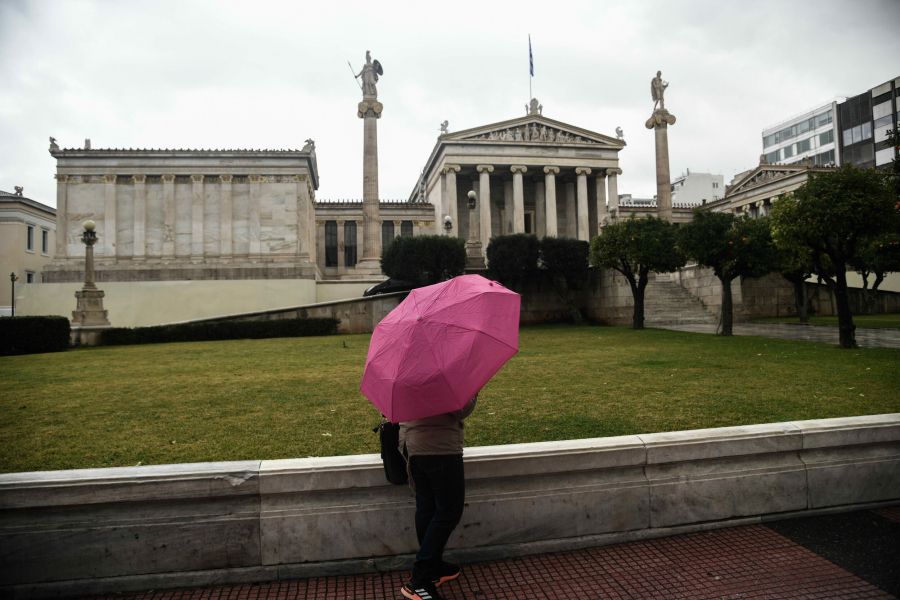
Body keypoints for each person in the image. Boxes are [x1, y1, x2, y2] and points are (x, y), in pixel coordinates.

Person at [398, 394, 478, 600]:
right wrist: (473, 389)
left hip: (412, 444)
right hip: (438, 447)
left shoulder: (407, 369)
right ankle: (420, 579)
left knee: (427, 507)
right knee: (449, 512)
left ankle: (433, 567)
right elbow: (462, 409)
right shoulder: (441, 373)